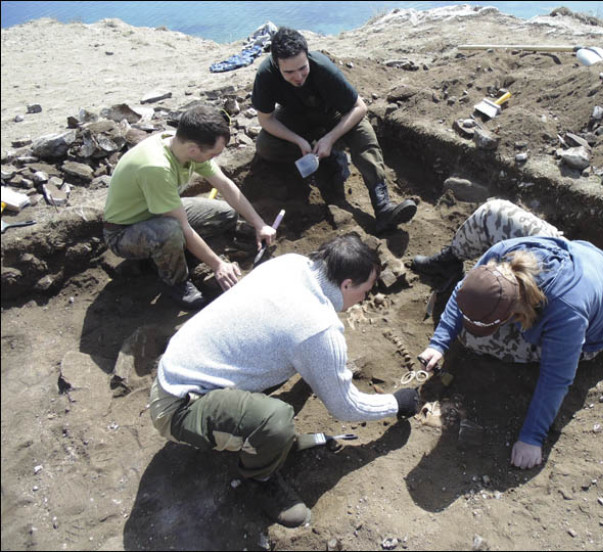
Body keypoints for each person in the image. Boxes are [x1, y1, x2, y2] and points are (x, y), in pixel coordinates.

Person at [149, 233, 421, 527]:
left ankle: (250, 434)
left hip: (177, 363)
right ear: (345, 285)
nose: (364, 297)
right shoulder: (317, 329)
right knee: (276, 421)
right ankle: (260, 477)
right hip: (178, 407)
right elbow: (345, 408)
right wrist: (396, 402)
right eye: (364, 291)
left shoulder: (292, 264)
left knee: (283, 360)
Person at [413, 199, 603, 469]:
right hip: (584, 255)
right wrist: (439, 343)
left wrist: (532, 438)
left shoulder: (565, 315)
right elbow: (461, 291)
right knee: (493, 212)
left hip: (594, 332)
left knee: (470, 338)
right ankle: (447, 263)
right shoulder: (503, 256)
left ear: (511, 315)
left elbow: (556, 379)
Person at [103, 104, 277, 309]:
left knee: (226, 214)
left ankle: (167, 254)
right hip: (124, 232)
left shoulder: (183, 144)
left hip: (156, 212)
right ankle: (176, 283)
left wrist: (259, 224)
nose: (214, 159)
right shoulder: (156, 167)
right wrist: (218, 265)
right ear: (194, 149)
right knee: (171, 231)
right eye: (213, 154)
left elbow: (224, 185)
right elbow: (183, 227)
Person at [251, 27, 417, 234]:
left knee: (364, 136)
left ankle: (382, 206)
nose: (298, 77)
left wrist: (330, 138)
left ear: (308, 57)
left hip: (331, 115)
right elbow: (265, 119)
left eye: (302, 68)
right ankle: (320, 162)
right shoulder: (266, 75)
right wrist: (298, 141)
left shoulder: (322, 67)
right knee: (266, 145)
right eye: (289, 72)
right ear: (277, 65)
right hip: (295, 117)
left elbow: (360, 107)